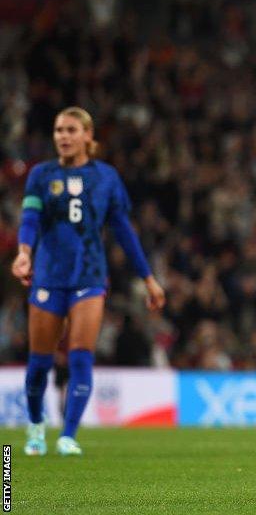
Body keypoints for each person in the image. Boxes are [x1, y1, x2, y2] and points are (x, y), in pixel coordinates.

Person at [12, 106, 165, 456]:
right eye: (58, 130)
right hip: (48, 276)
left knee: (81, 357)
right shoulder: (40, 174)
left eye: (70, 130)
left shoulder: (106, 177)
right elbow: (30, 219)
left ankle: (68, 435)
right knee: (40, 362)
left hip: (90, 276)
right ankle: (36, 427)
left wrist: (149, 279)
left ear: (87, 136)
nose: (62, 136)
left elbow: (124, 231)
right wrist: (24, 252)